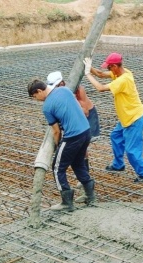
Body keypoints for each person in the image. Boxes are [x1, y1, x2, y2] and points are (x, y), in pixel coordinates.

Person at [83, 53, 143, 182]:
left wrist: (87, 74)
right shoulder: (120, 72)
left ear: (115, 66)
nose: (108, 70)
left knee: (132, 150)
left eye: (109, 67)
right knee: (115, 137)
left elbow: (100, 88)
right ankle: (118, 165)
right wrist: (89, 67)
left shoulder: (124, 79)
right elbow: (100, 74)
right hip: (125, 117)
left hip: (133, 118)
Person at [27, 79, 96, 212]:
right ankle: (90, 195)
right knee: (78, 164)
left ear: (39, 91)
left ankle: (66, 202)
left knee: (58, 168)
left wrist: (59, 146)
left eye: (35, 96)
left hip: (72, 136)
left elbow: (56, 131)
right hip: (86, 131)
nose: (36, 99)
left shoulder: (47, 107)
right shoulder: (64, 90)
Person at [46, 71, 100, 203]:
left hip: (87, 120)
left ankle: (73, 196)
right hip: (79, 128)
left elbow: (85, 111)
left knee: (78, 155)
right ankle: (88, 192)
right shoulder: (63, 92)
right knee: (77, 160)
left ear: (61, 83)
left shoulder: (75, 91)